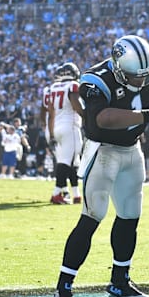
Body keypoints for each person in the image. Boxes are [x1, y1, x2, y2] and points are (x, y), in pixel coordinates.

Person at [51, 34, 149, 297]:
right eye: (136, 76)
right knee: (92, 216)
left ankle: (120, 280)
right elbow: (103, 118)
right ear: (119, 68)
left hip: (132, 150)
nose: (143, 81)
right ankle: (63, 289)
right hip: (102, 150)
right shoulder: (95, 80)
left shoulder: (148, 65)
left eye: (147, 75)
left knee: (130, 215)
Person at [48, 62, 85, 204]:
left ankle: (76, 195)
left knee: (73, 161)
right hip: (70, 126)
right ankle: (57, 194)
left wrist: (51, 134)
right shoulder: (73, 86)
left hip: (57, 126)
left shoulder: (53, 87)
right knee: (65, 162)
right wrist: (86, 116)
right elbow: (76, 104)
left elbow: (51, 113)